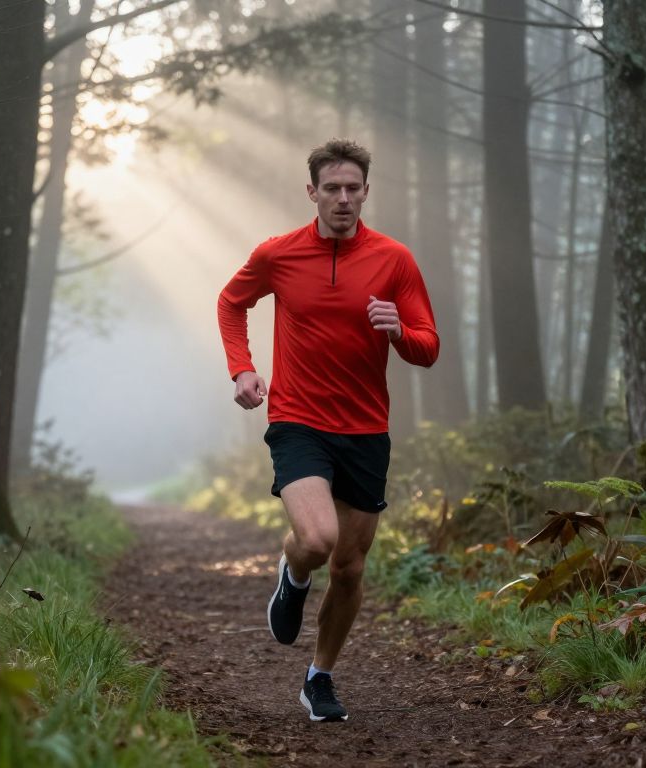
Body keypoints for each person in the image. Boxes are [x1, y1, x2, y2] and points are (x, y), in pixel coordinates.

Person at [217, 138, 439, 722]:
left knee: (349, 567)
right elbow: (231, 302)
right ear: (312, 192)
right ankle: (292, 575)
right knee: (317, 541)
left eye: (353, 188)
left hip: (367, 428)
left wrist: (398, 331)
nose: (343, 199)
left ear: (366, 192)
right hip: (298, 420)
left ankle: (320, 676)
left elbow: (429, 348)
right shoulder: (278, 254)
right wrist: (241, 367)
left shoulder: (395, 260)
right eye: (332, 188)